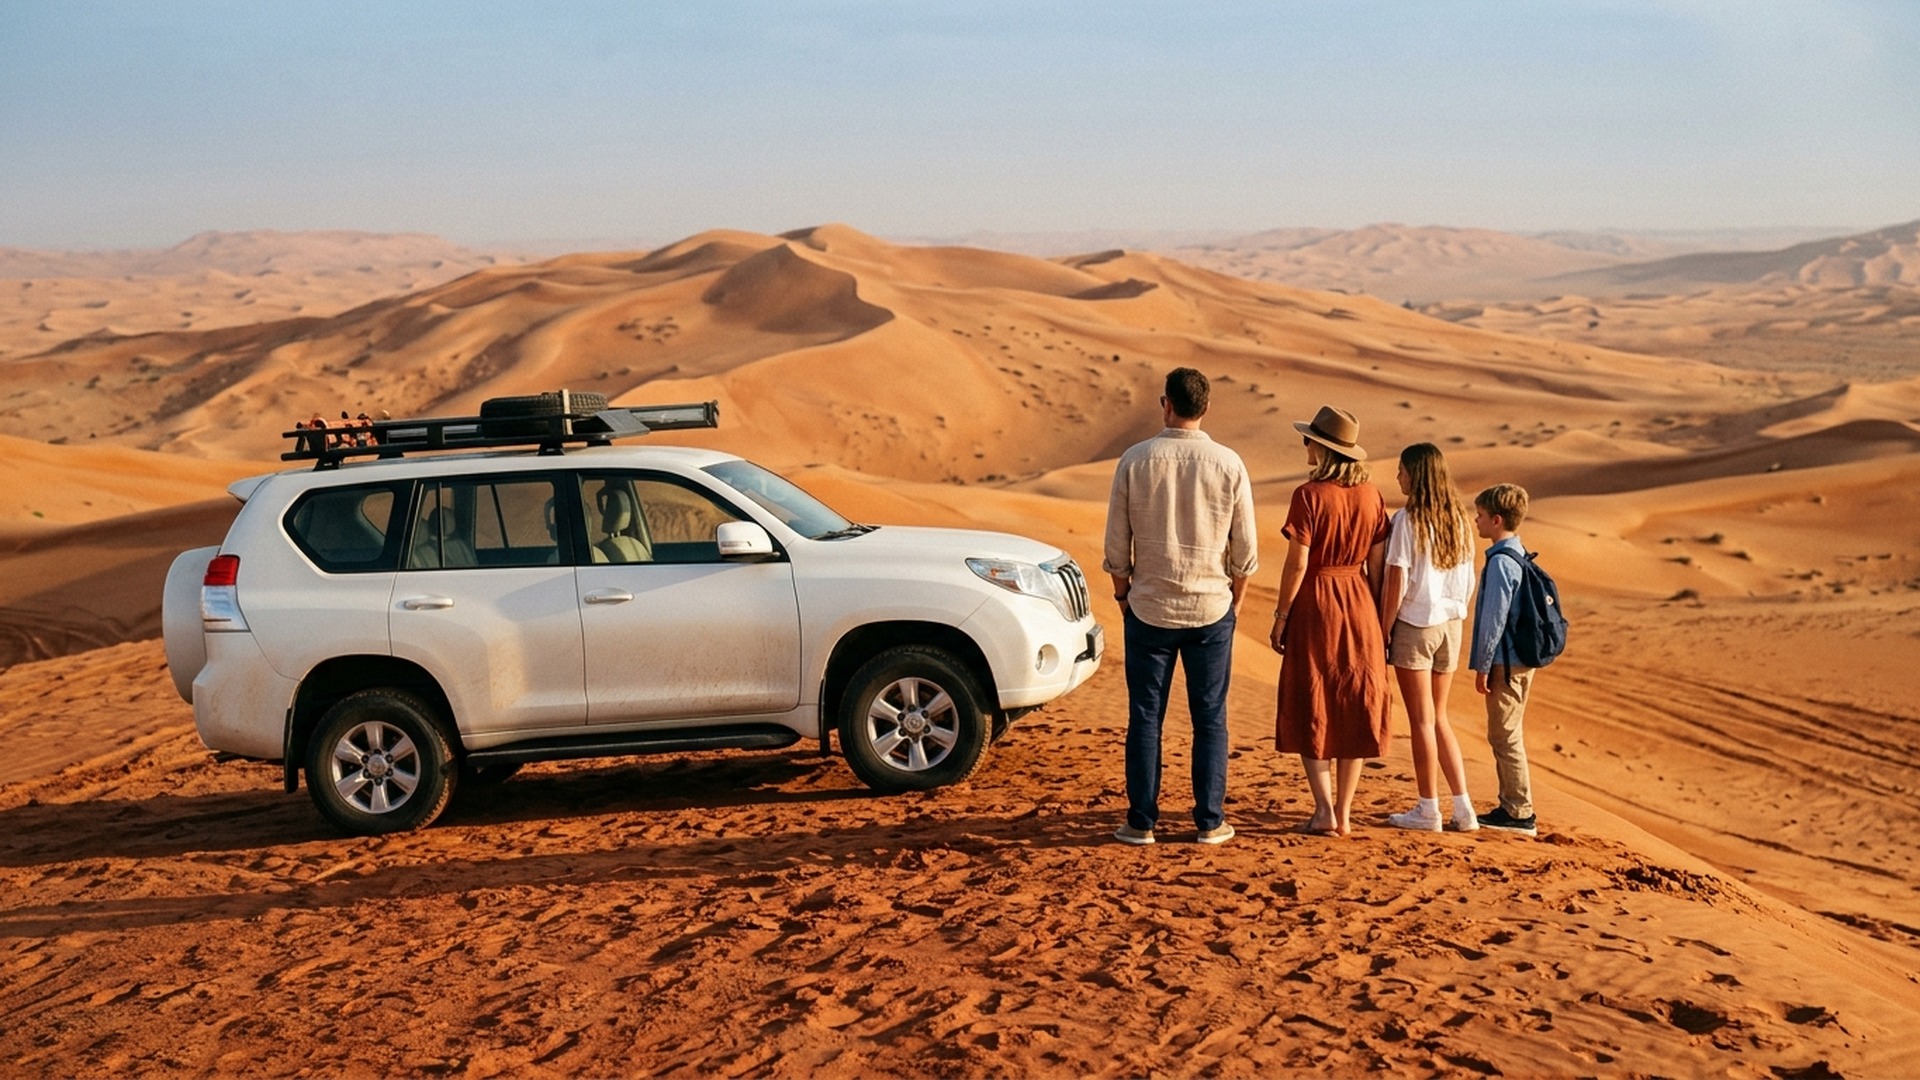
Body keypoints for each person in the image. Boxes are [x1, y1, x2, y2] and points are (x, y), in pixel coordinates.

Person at [1103, 368, 1258, 846]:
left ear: (1164, 403)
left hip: (1148, 608)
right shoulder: (1229, 463)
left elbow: (1115, 544)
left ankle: (1140, 822)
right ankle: (1210, 822)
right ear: (1205, 408)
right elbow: (1246, 551)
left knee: (1145, 716)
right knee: (1210, 717)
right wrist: (1235, 603)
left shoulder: (1135, 459)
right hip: (1211, 609)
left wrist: (1124, 596)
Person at [1269, 405, 1391, 836]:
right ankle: (1345, 811)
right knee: (1352, 701)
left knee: (1314, 698)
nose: (1304, 445)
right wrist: (1375, 618)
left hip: (1317, 600)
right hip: (1358, 601)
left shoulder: (1309, 495)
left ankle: (1323, 810)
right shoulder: (1372, 495)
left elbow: (1297, 564)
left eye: (1308, 440)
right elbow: (1377, 565)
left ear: (1321, 448)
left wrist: (1282, 615)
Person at [1379, 444, 1479, 832]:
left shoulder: (1408, 520)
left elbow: (1397, 580)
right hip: (1451, 626)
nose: (1397, 477)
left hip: (1417, 623)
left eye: (1402, 470)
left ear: (1416, 475)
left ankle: (1427, 809)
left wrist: (1383, 628)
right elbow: (1469, 579)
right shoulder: (1460, 520)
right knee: (1439, 718)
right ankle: (1464, 808)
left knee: (1421, 720)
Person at [1470, 483, 1541, 835]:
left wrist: (1483, 667)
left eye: (1480, 515)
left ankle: (1518, 812)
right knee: (1508, 734)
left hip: (1506, 665)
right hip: (1520, 662)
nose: (1476, 521)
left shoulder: (1500, 562)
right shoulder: (1518, 553)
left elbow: (1493, 620)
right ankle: (1514, 806)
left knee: (1505, 736)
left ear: (1496, 520)